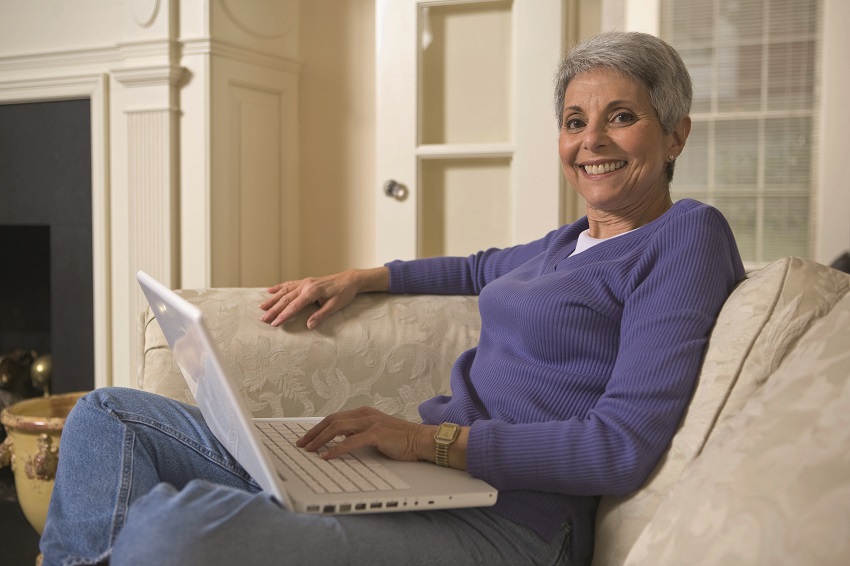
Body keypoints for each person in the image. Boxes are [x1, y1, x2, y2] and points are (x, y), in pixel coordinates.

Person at [40, 31, 744, 566]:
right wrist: (356, 278)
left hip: (512, 521)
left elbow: (615, 450)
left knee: (171, 530)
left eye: (620, 117)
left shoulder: (685, 236)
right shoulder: (568, 244)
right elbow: (476, 266)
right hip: (423, 480)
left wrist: (423, 440)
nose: (591, 141)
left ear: (675, 132)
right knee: (107, 416)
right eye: (573, 121)